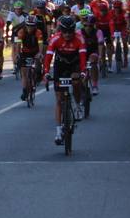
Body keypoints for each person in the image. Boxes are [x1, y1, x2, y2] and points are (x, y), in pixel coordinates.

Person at [43, 15, 88, 146]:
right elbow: (48, 57)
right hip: (60, 65)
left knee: (76, 81)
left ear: (74, 30)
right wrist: (46, 72)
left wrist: (83, 72)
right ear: (60, 31)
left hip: (75, 64)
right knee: (59, 99)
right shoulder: (55, 38)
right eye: (65, 32)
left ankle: (78, 104)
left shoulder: (79, 38)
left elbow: (83, 57)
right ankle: (58, 131)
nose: (67, 34)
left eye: (70, 32)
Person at [12, 15, 46, 100]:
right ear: (25, 25)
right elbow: (18, 45)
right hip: (25, 52)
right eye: (28, 26)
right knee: (24, 73)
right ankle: (24, 91)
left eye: (32, 26)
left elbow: (40, 44)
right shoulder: (21, 32)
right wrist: (17, 54)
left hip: (35, 52)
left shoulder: (38, 32)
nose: (30, 28)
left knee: (38, 65)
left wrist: (40, 53)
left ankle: (37, 76)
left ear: (35, 25)